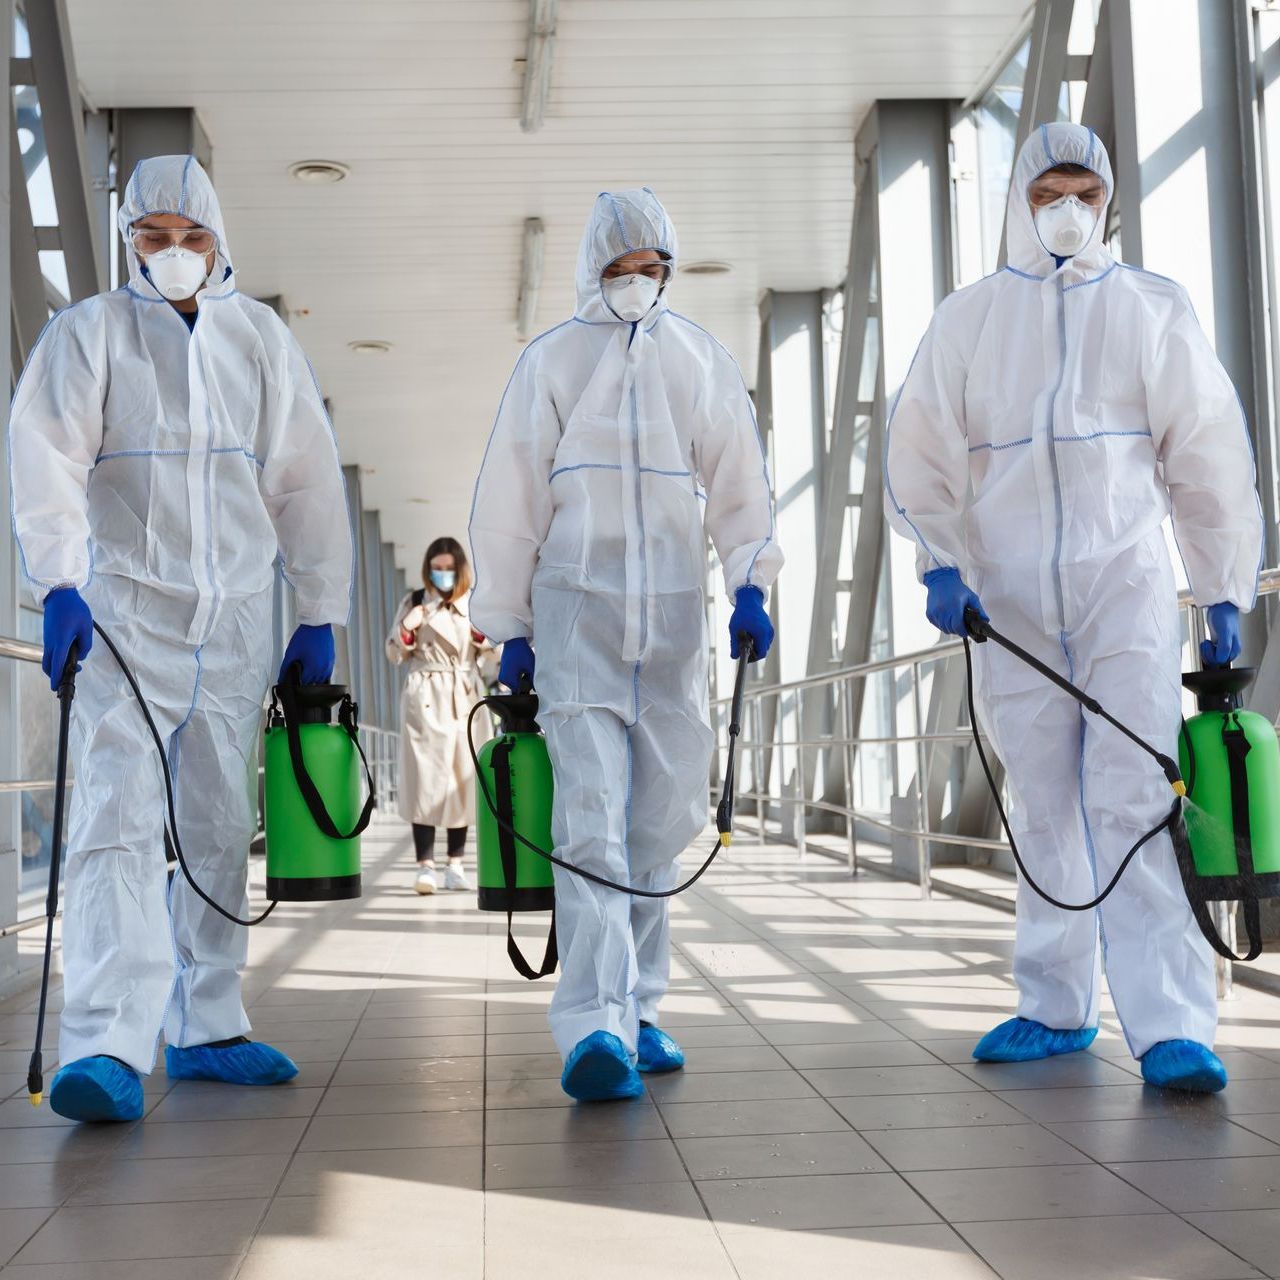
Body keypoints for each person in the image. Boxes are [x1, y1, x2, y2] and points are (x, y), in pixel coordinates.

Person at [884, 122, 1263, 1094]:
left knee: (1134, 798)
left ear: (1106, 204)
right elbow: (919, 450)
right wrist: (938, 561)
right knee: (1042, 800)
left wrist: (1220, 583)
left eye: (1083, 195)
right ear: (1017, 199)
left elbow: (1205, 456)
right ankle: (1052, 1004)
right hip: (1007, 601)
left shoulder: (1149, 308)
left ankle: (1171, 1023)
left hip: (1122, 593)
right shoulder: (969, 322)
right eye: (1048, 191)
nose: (1066, 211)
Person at [9, 155, 353, 1122]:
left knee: (210, 825)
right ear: (127, 242)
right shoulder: (90, 335)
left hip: (238, 615)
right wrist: (60, 584)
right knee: (114, 819)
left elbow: (306, 479)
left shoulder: (260, 341)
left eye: (188, 236)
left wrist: (318, 607)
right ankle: (106, 1043)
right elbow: (46, 458)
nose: (171, 254)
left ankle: (207, 1023)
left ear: (217, 239)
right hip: (126, 614)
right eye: (151, 238)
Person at [470, 188, 782, 1102]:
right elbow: (511, 500)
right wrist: (511, 623)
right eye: (620, 268)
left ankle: (642, 1007)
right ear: (591, 269)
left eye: (651, 270)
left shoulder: (698, 361)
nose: (637, 284)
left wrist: (753, 581)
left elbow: (738, 484)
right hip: (577, 621)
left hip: (676, 626)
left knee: (652, 828)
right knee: (593, 822)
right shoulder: (553, 363)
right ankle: (592, 1025)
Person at [386, 536, 494, 895]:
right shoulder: (415, 601)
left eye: (450, 569)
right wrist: (407, 628)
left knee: (461, 779)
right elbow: (393, 653)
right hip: (426, 694)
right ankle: (425, 865)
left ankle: (456, 864)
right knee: (425, 778)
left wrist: (486, 640)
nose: (443, 575)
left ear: (460, 569)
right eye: (438, 568)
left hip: (463, 693)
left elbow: (494, 660)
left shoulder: (474, 605)